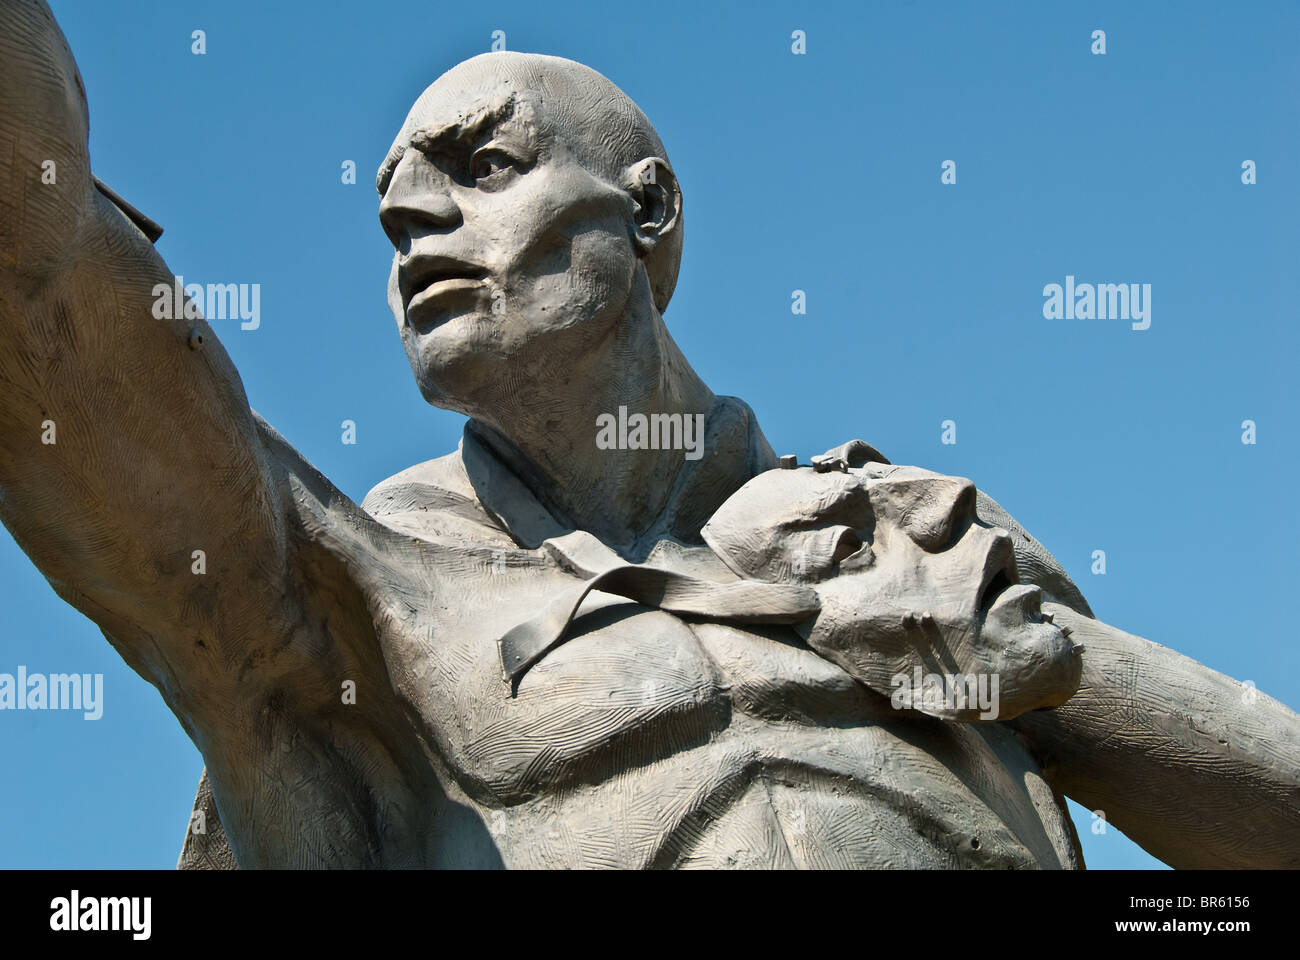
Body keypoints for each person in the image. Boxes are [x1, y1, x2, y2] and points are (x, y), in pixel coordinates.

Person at [1, 0, 1296, 868]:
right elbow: (40, 277)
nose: (416, 227)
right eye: (396, 217)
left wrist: (1055, 665)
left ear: (649, 208)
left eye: (482, 167)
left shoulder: (896, 535)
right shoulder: (359, 599)